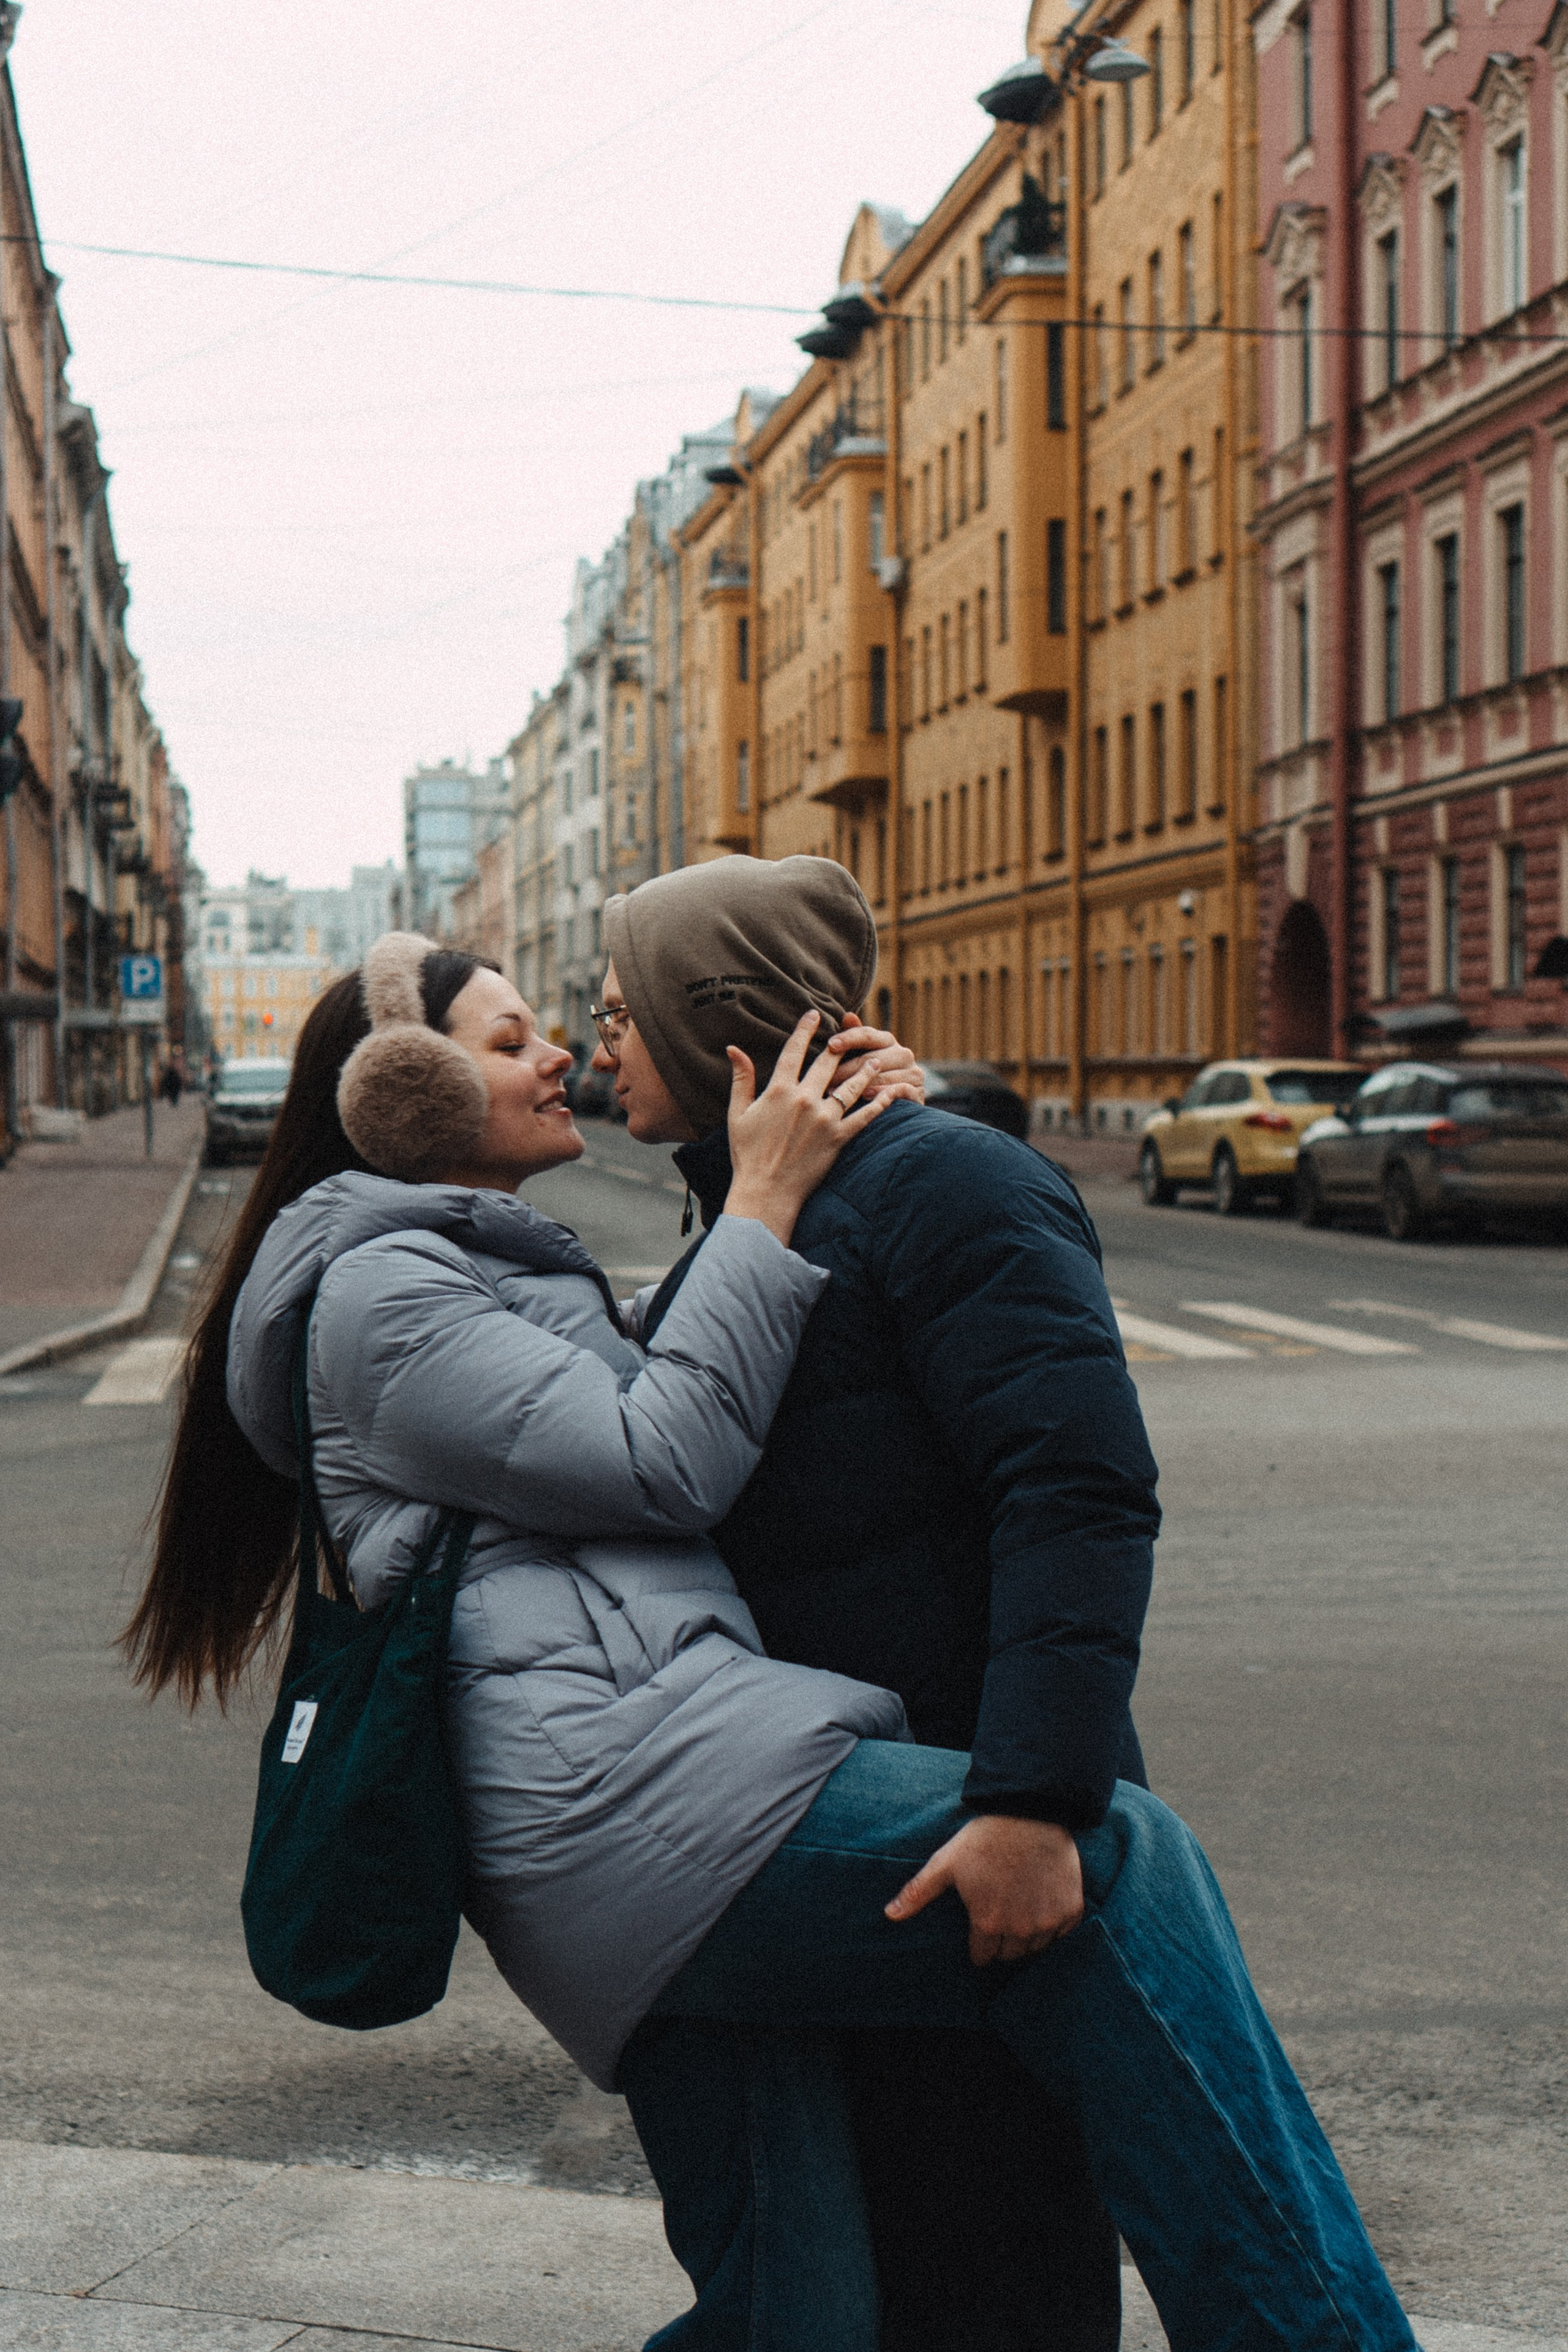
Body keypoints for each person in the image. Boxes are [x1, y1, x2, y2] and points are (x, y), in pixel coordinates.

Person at [124, 931, 1417, 2352]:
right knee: (1112, 1867)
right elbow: (665, 1451)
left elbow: (706, 1353)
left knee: (794, 2311)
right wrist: (761, 1197)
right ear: (399, 1094)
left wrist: (897, 1128)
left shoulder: (482, 1270)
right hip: (626, 1811)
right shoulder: (383, 1300)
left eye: (569, 1026)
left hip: (652, 1801)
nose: (561, 1052)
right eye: (509, 1044)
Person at [591, 855, 1411, 2352]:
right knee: (902, 2252)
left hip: (978, 1804)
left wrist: (1034, 1798)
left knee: (1002, 2250)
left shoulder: (948, 1184)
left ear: (710, 1027)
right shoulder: (751, 1218)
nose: (599, 1049)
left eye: (617, 1015)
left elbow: (1076, 1492)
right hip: (849, 1811)